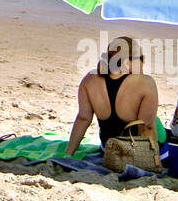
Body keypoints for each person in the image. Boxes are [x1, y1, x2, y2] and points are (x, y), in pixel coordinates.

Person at [64, 35, 162, 170]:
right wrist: (155, 158)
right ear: (127, 62)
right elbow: (148, 127)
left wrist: (68, 154)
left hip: (109, 150)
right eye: (141, 58)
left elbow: (83, 118)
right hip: (135, 152)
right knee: (163, 131)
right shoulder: (145, 83)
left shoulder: (89, 79)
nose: (143, 63)